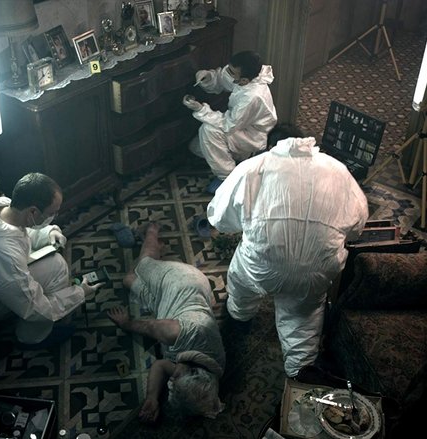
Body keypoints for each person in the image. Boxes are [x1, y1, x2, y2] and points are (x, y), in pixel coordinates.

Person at [206, 124, 369, 378]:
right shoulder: (338, 170)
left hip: (262, 269)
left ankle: (240, 318)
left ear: (271, 146)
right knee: (304, 317)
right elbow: (357, 227)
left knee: (241, 279)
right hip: (316, 273)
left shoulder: (253, 168)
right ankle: (300, 373)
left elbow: (219, 218)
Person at [0, 172, 102, 347]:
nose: (54, 216)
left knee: (53, 264)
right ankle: (32, 337)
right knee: (57, 268)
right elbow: (35, 308)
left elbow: (21, 231)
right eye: (52, 213)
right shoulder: (4, 252)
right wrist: (79, 293)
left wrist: (49, 232)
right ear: (33, 211)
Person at [106, 222, 226, 422]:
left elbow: (161, 366)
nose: (171, 380)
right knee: (143, 265)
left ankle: (157, 261)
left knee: (128, 280)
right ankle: (152, 229)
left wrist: (152, 397)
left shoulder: (208, 372)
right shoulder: (172, 332)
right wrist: (126, 324)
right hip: (183, 281)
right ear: (191, 371)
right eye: (175, 379)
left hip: (170, 300)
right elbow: (148, 326)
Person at [183, 50, 278, 194]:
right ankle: (241, 158)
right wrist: (208, 77)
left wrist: (200, 109)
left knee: (208, 130)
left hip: (252, 136)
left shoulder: (252, 97)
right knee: (197, 147)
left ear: (244, 80)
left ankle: (228, 179)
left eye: (232, 72)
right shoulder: (247, 77)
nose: (228, 72)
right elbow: (225, 78)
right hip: (241, 127)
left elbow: (229, 125)